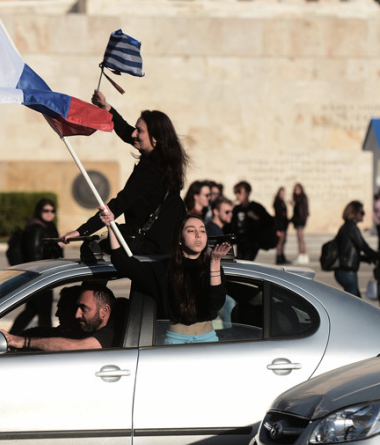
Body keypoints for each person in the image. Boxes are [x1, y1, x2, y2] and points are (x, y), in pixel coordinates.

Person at [62, 91, 187, 255]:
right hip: (160, 244)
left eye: (139, 131)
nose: (134, 134)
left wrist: (82, 231)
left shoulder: (154, 169)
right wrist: (107, 108)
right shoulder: (164, 161)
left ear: (155, 138)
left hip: (153, 248)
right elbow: (126, 131)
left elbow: (121, 203)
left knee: (95, 252)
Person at [101, 210, 232, 344]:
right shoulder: (164, 269)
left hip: (208, 339)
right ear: (179, 239)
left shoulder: (212, 267)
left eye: (202, 231)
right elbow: (124, 263)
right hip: (175, 341)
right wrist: (111, 226)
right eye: (191, 231)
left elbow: (214, 304)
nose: (198, 235)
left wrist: (215, 263)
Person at [1, 283, 116, 351]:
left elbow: (76, 346)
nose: (77, 315)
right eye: (76, 308)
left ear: (104, 311)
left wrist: (24, 342)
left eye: (84, 308)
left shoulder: (111, 333)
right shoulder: (82, 330)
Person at [9, 199, 64, 333]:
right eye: (46, 210)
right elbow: (34, 256)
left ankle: (11, 336)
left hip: (45, 274)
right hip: (39, 275)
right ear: (39, 211)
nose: (49, 214)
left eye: (52, 211)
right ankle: (47, 339)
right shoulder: (36, 228)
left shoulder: (49, 226)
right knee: (44, 312)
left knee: (32, 310)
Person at [334, 200, 380, 298]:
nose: (363, 215)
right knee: (354, 304)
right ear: (353, 214)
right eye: (361, 212)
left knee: (356, 300)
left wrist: (366, 259)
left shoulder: (345, 227)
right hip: (347, 272)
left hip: (344, 271)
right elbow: (364, 247)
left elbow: (349, 252)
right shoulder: (352, 228)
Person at [230, 181, 273, 261]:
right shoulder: (236, 209)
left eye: (239, 192)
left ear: (247, 193)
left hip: (252, 242)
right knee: (239, 262)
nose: (237, 195)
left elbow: (269, 221)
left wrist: (255, 217)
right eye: (236, 192)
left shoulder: (256, 207)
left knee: (246, 262)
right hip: (240, 242)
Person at [291, 183, 310, 264]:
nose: (296, 191)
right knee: (300, 238)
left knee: (300, 238)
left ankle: (302, 255)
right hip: (298, 220)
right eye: (295, 189)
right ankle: (302, 255)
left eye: (298, 189)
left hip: (300, 220)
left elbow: (304, 211)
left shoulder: (302, 198)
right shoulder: (297, 198)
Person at [273, 187, 290, 265]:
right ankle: (279, 258)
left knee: (283, 241)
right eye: (281, 193)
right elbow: (278, 216)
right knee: (280, 242)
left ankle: (282, 257)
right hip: (280, 225)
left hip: (284, 225)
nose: (282, 194)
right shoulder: (277, 202)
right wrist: (278, 229)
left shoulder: (282, 202)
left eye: (283, 193)